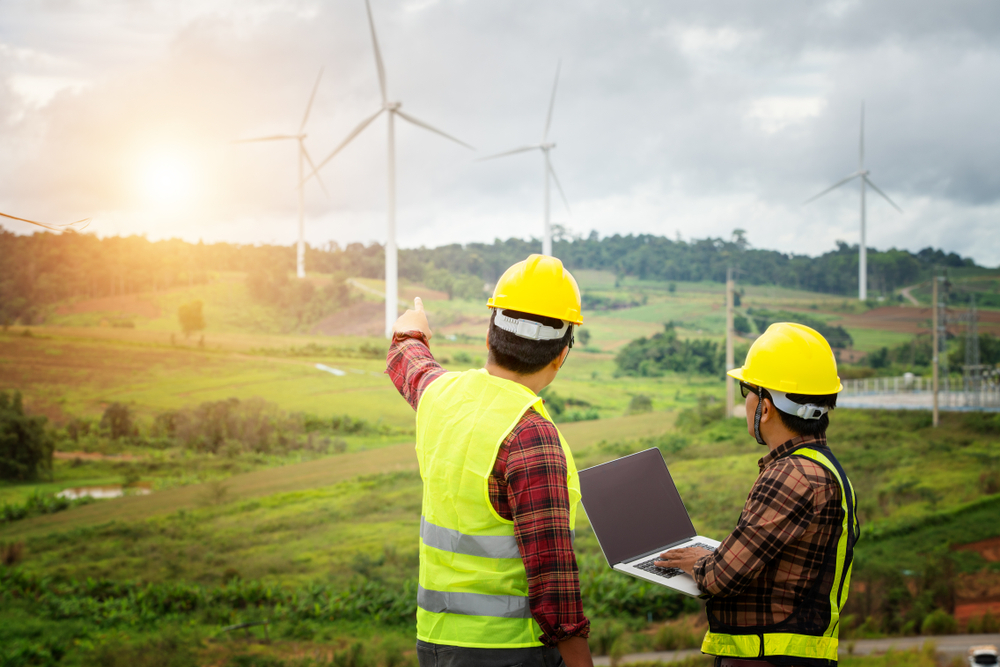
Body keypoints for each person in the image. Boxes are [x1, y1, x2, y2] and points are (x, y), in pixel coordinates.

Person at [386, 254, 594, 667]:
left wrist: (411, 329)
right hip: (509, 651)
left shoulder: (441, 395)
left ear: (489, 336)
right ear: (561, 355)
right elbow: (554, 585)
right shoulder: (531, 436)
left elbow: (407, 361)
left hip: (434, 643)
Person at [657, 322, 860, 667]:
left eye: (747, 391)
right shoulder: (823, 468)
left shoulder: (791, 475)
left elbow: (721, 577)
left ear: (765, 408)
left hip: (765, 659)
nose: (747, 402)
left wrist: (698, 561)